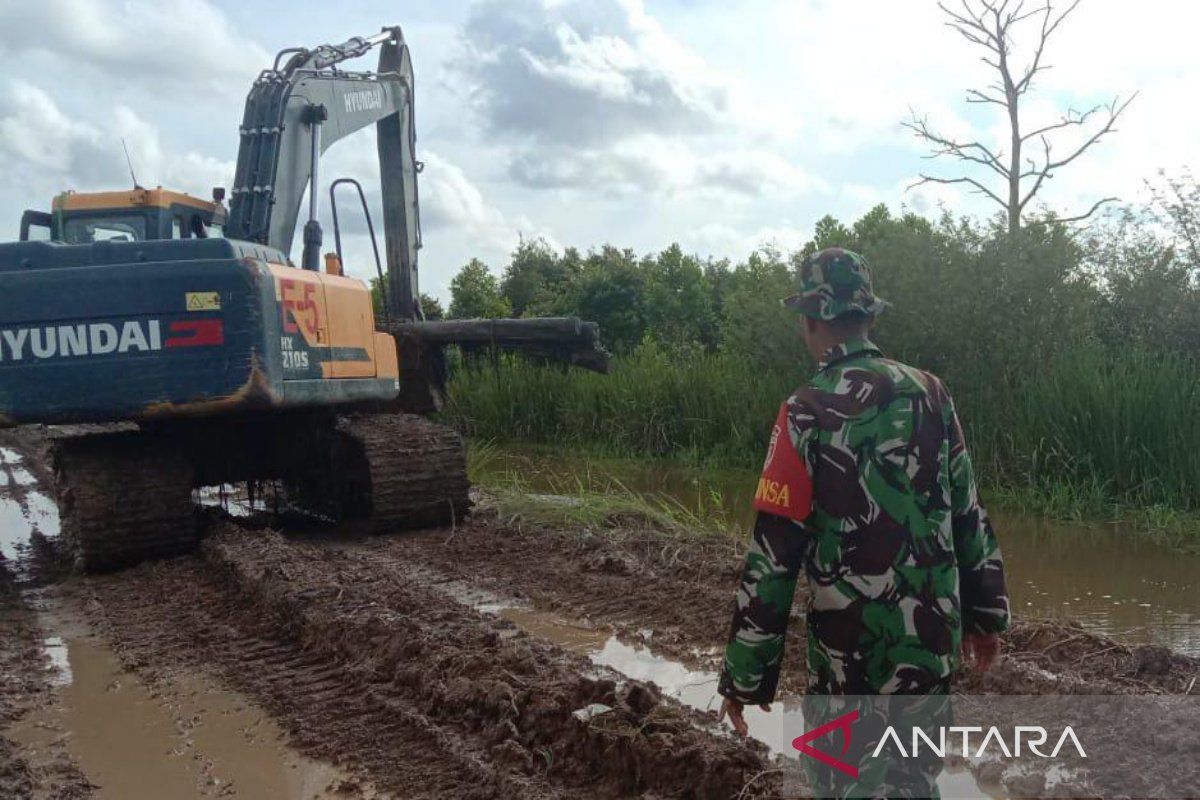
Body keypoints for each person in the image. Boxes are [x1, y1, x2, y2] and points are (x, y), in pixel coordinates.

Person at [717, 247, 1010, 733]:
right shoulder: (932, 393)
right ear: (868, 318)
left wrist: (744, 678)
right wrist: (986, 617)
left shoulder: (804, 410)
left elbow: (774, 555)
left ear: (812, 319)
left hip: (847, 665)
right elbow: (968, 513)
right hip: (930, 654)